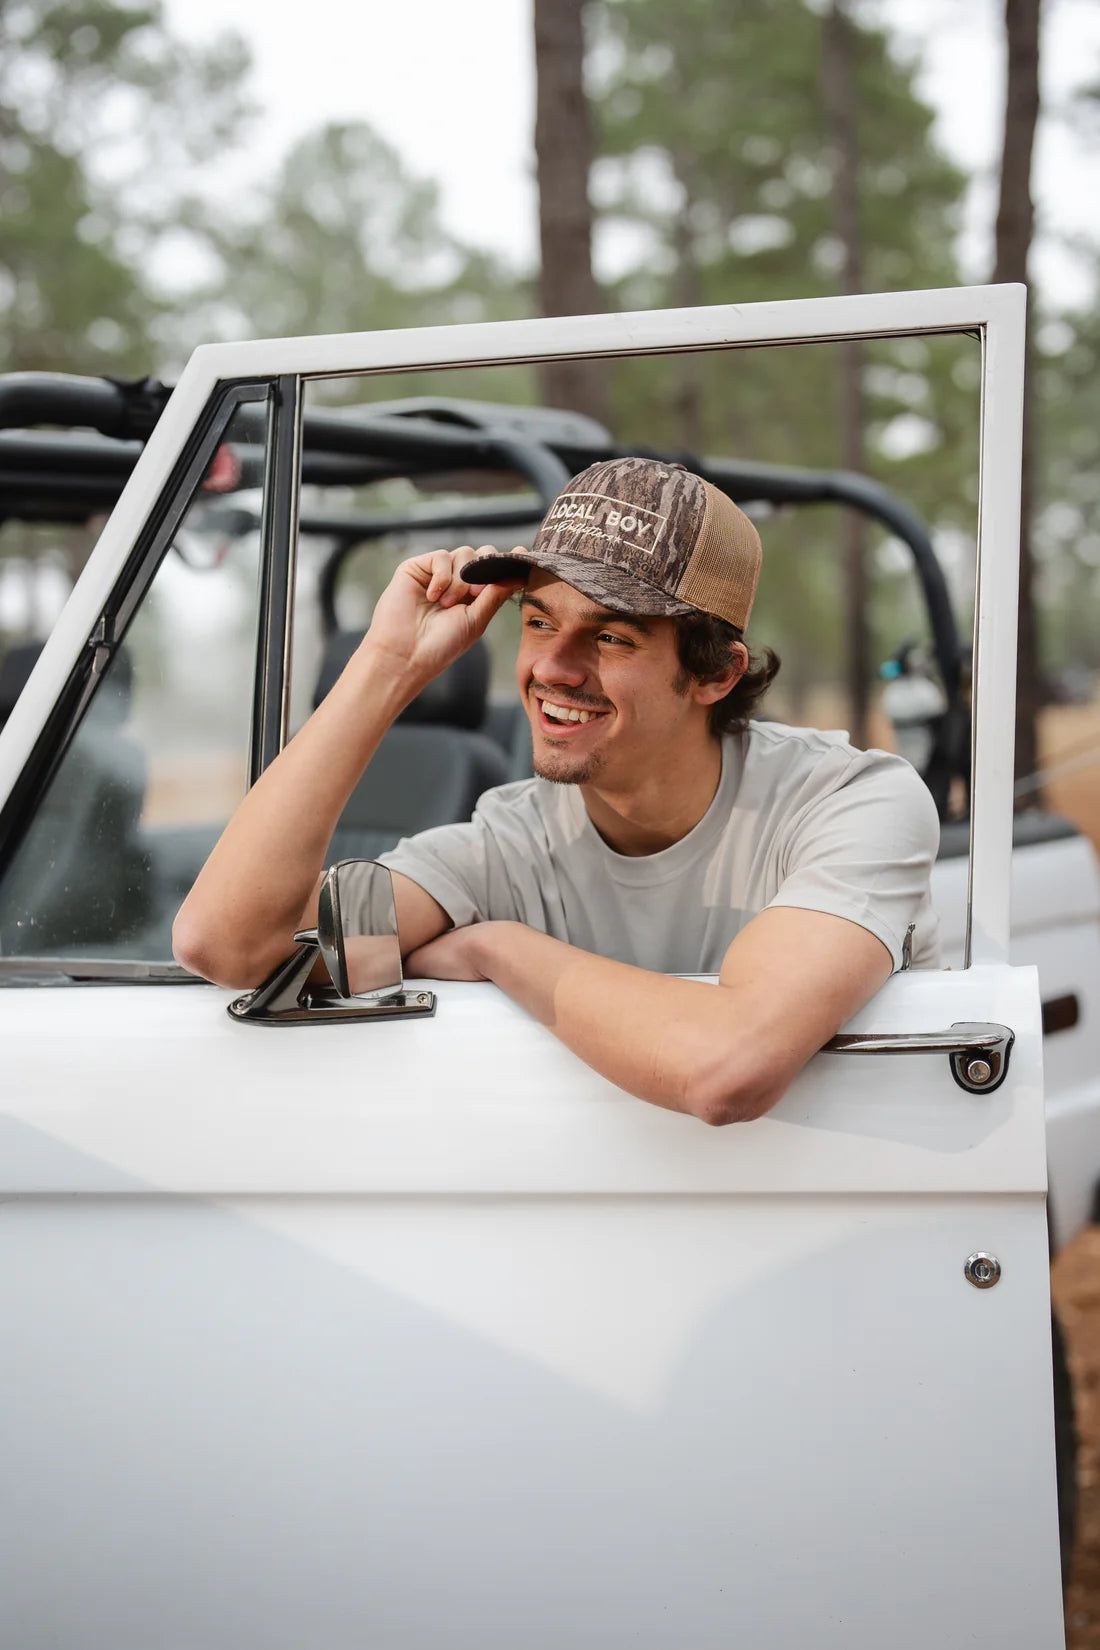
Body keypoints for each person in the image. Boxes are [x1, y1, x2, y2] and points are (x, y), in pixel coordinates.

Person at [174, 456, 940, 1125]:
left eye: (610, 636)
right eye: (539, 622)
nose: (553, 668)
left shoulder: (846, 802)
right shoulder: (508, 843)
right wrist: (389, 666)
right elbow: (230, 944)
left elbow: (725, 1068)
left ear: (716, 673)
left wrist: (498, 947)